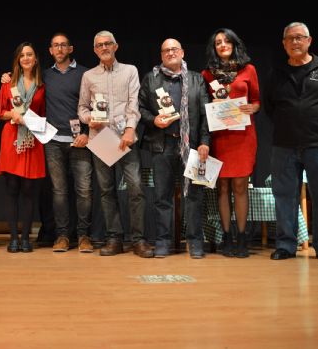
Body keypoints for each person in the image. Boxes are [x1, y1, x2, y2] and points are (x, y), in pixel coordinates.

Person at [265, 22, 318, 262]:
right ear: (283, 44)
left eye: (300, 38)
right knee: (284, 196)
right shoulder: (277, 74)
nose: (295, 42)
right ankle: (285, 244)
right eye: (290, 39)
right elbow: (270, 108)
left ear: (309, 41)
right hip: (284, 145)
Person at [2, 33, 94, 253]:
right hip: (51, 141)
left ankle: (84, 236)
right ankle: (61, 235)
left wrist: (88, 133)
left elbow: (94, 105)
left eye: (64, 45)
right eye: (55, 46)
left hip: (79, 140)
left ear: (70, 49)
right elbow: (23, 90)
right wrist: (6, 77)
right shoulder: (43, 77)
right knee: (58, 192)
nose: (60, 49)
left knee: (84, 191)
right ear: (51, 51)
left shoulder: (85, 74)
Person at [78, 30, 154, 258]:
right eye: (99, 45)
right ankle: (115, 239)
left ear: (116, 46)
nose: (104, 48)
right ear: (95, 50)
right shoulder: (89, 76)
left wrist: (131, 129)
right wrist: (89, 119)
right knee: (106, 190)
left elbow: (134, 102)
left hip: (124, 139)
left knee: (136, 188)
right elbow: (82, 108)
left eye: (108, 44)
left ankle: (138, 239)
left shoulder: (130, 71)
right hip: (101, 139)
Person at [138, 38, 211, 258]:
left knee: (194, 196)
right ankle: (162, 241)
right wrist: (153, 120)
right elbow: (140, 108)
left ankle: (195, 241)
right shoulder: (151, 79)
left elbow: (206, 113)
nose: (170, 53)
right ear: (161, 55)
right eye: (166, 50)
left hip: (192, 146)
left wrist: (205, 141)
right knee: (162, 197)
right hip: (162, 145)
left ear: (182, 52)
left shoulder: (196, 79)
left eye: (174, 49)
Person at [201, 28, 260, 258]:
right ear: (214, 48)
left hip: (243, 135)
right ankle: (226, 237)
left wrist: (251, 107)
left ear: (235, 44)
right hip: (220, 136)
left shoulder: (249, 70)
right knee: (222, 187)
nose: (222, 44)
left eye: (226, 41)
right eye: (218, 42)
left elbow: (256, 101)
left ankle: (242, 237)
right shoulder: (207, 74)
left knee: (240, 186)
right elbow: (202, 107)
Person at [0, 42, 46, 253]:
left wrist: (31, 119)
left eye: (30, 55)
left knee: (28, 191)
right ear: (18, 60)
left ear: (35, 59)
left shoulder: (42, 85)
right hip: (12, 139)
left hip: (33, 140)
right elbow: (1, 112)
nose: (26, 58)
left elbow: (44, 113)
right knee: (12, 190)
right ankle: (13, 238)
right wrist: (13, 115)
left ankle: (26, 237)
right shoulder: (8, 84)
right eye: (22, 55)